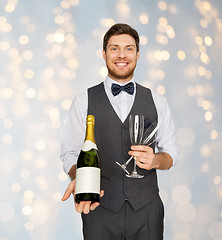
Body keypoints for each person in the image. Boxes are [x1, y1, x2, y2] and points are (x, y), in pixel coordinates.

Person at [60, 23, 178, 240]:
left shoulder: (157, 101)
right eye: (114, 48)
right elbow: (69, 152)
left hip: (147, 211)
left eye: (129, 48)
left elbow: (170, 156)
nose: (121, 55)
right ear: (104, 54)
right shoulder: (83, 100)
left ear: (138, 54)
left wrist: (156, 160)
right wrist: (79, 177)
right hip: (99, 209)